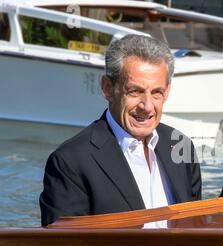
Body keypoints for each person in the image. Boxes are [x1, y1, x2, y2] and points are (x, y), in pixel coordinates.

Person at [40, 35, 201, 227]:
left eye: (156, 92)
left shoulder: (181, 146)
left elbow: (196, 228)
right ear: (107, 88)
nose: (147, 106)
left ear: (166, 92)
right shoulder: (70, 162)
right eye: (135, 91)